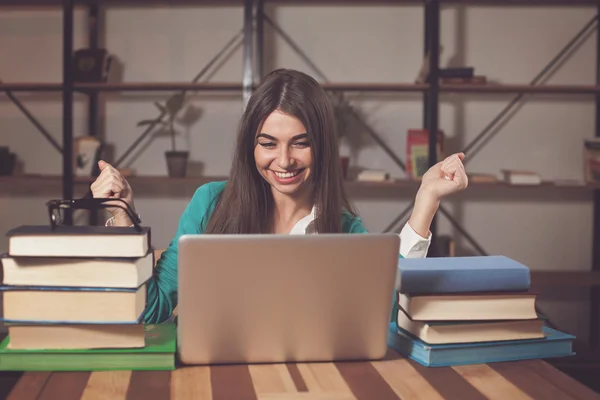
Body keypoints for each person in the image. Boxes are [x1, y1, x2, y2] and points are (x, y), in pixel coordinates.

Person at [91, 68, 468, 324]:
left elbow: (382, 318)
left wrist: (426, 202)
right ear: (249, 146)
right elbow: (150, 308)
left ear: (321, 147)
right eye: (268, 144)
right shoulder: (210, 204)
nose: (284, 161)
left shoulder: (345, 229)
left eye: (300, 144)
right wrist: (121, 214)